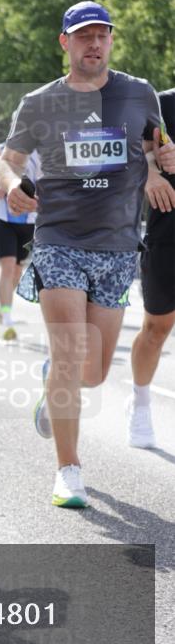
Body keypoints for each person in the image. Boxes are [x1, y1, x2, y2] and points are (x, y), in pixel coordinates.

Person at [0, 1, 175, 509]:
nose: (93, 43)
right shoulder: (38, 103)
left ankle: (55, 379)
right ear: (65, 43)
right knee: (73, 354)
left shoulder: (139, 93)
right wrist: (11, 185)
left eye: (102, 35)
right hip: (59, 239)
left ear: (111, 41)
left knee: (92, 371)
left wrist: (164, 161)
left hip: (118, 245)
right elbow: (6, 161)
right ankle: (68, 472)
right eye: (83, 36)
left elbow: (156, 145)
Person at [128, 87, 175, 448]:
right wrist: (150, 172)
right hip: (167, 233)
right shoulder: (160, 104)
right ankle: (140, 402)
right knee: (157, 328)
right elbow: (131, 153)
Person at [0, 142, 41, 339]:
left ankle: (3, 308)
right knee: (7, 268)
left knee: (17, 271)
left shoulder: (41, 151)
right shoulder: (0, 150)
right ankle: (7, 318)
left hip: (29, 222)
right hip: (4, 219)